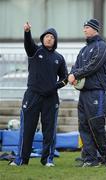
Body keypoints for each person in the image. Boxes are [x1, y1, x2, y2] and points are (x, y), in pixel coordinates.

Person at [9, 22, 68, 166]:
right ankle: (21, 160)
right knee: (27, 130)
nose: (49, 39)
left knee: (49, 131)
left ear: (55, 41)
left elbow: (65, 78)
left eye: (52, 37)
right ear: (42, 39)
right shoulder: (35, 51)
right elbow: (28, 45)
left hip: (51, 98)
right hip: (32, 96)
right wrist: (27, 32)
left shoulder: (59, 58)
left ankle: (48, 160)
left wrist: (55, 87)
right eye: (47, 36)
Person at [68, 19, 106, 167]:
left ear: (95, 29)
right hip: (84, 93)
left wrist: (76, 75)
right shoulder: (83, 50)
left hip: (98, 92)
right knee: (84, 126)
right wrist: (72, 74)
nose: (84, 30)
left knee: (96, 125)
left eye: (87, 27)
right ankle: (91, 158)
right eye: (84, 28)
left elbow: (94, 65)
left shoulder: (102, 46)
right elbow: (76, 67)